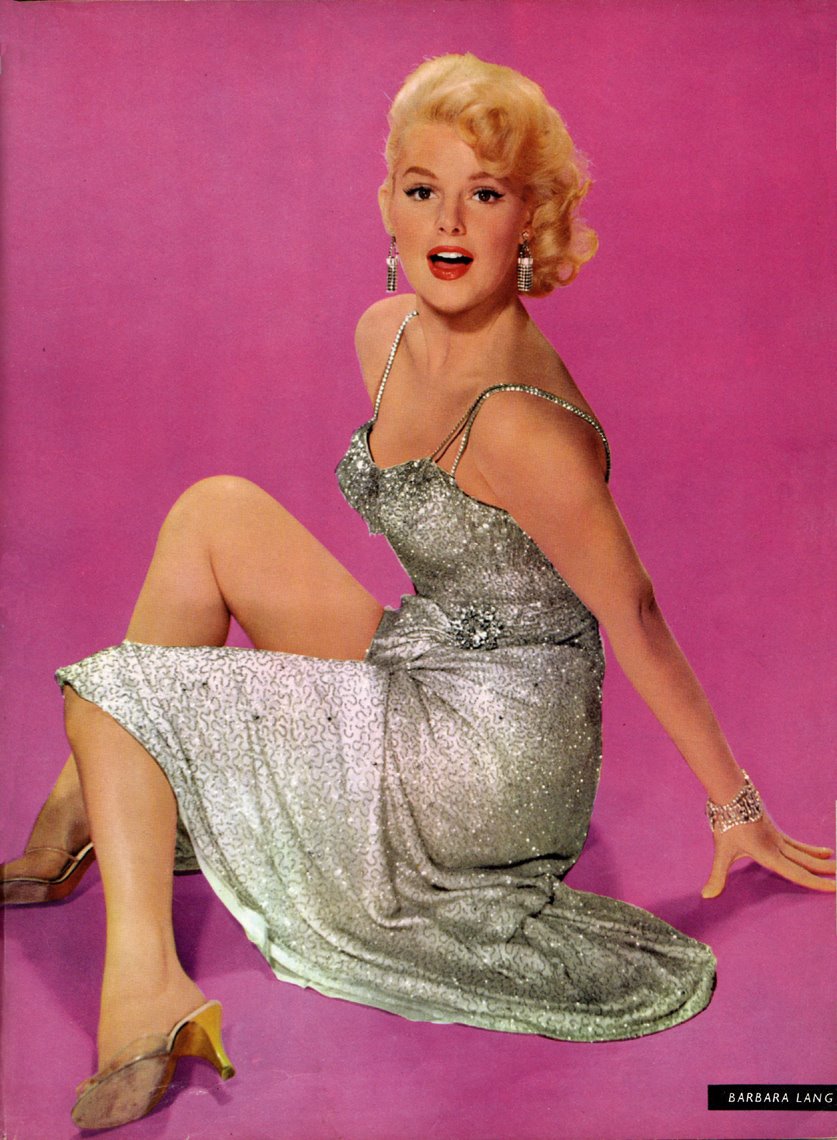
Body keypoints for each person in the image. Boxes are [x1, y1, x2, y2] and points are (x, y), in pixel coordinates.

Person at [2, 53, 833, 1131]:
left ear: (529, 222)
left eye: (484, 194)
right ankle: (76, 812)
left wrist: (737, 808)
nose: (448, 220)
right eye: (422, 187)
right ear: (386, 201)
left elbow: (632, 614)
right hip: (434, 660)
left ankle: (146, 987)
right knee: (212, 514)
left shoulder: (521, 424)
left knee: (115, 691)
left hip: (495, 760)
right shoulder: (383, 337)